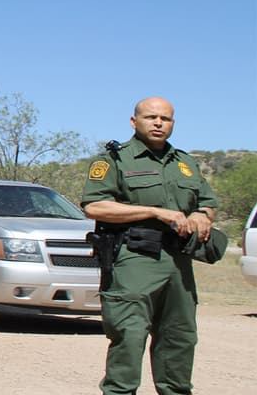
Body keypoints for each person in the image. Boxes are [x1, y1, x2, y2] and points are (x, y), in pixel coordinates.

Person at [81, 97, 218, 395]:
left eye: (165, 119)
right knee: (129, 335)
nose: (158, 123)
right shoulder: (115, 160)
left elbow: (207, 203)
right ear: (134, 122)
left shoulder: (185, 162)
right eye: (151, 117)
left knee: (179, 337)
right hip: (134, 257)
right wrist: (154, 212)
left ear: (173, 124)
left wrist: (201, 215)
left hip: (178, 262)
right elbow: (94, 206)